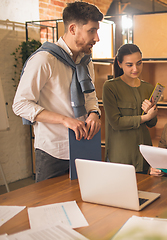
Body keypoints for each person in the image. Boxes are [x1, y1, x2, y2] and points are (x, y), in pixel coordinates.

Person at [12, 2, 103, 182]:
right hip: (53, 152)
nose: (97, 38)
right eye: (92, 31)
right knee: (49, 208)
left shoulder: (86, 62)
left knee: (86, 205)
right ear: (73, 29)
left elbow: (90, 96)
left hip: (84, 147)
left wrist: (94, 113)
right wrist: (64, 120)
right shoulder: (44, 60)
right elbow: (20, 105)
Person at [102, 44, 158, 173]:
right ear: (119, 64)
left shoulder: (148, 88)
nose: (135, 69)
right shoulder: (110, 87)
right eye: (129, 65)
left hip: (145, 157)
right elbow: (116, 123)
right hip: (121, 157)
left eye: (139, 63)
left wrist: (152, 113)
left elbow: (152, 124)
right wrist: (145, 117)